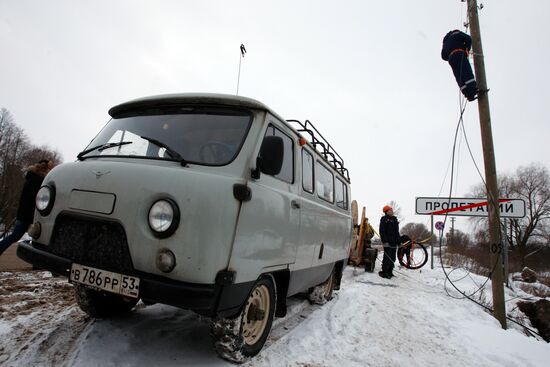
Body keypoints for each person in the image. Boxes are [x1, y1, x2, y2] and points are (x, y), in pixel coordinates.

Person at [0, 160, 53, 256]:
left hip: (24, 213)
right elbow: (37, 198)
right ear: (45, 169)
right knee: (37, 238)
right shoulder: (40, 181)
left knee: (15, 236)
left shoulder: (31, 177)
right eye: (49, 168)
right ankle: (37, 263)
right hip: (31, 215)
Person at [441, 29, 478, 101]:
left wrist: (450, 54)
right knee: (466, 72)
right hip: (459, 53)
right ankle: (473, 89)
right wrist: (466, 48)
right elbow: (468, 39)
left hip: (451, 59)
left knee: (459, 76)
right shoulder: (457, 33)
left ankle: (468, 94)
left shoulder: (445, 42)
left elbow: (443, 56)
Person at [379, 205, 400, 279]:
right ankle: (385, 272)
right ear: (386, 212)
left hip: (394, 243)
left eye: (392, 210)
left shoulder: (395, 220)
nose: (392, 211)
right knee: (387, 258)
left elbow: (397, 232)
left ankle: (390, 272)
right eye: (390, 210)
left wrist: (399, 242)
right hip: (387, 243)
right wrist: (385, 241)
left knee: (393, 258)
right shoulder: (384, 219)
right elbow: (382, 231)